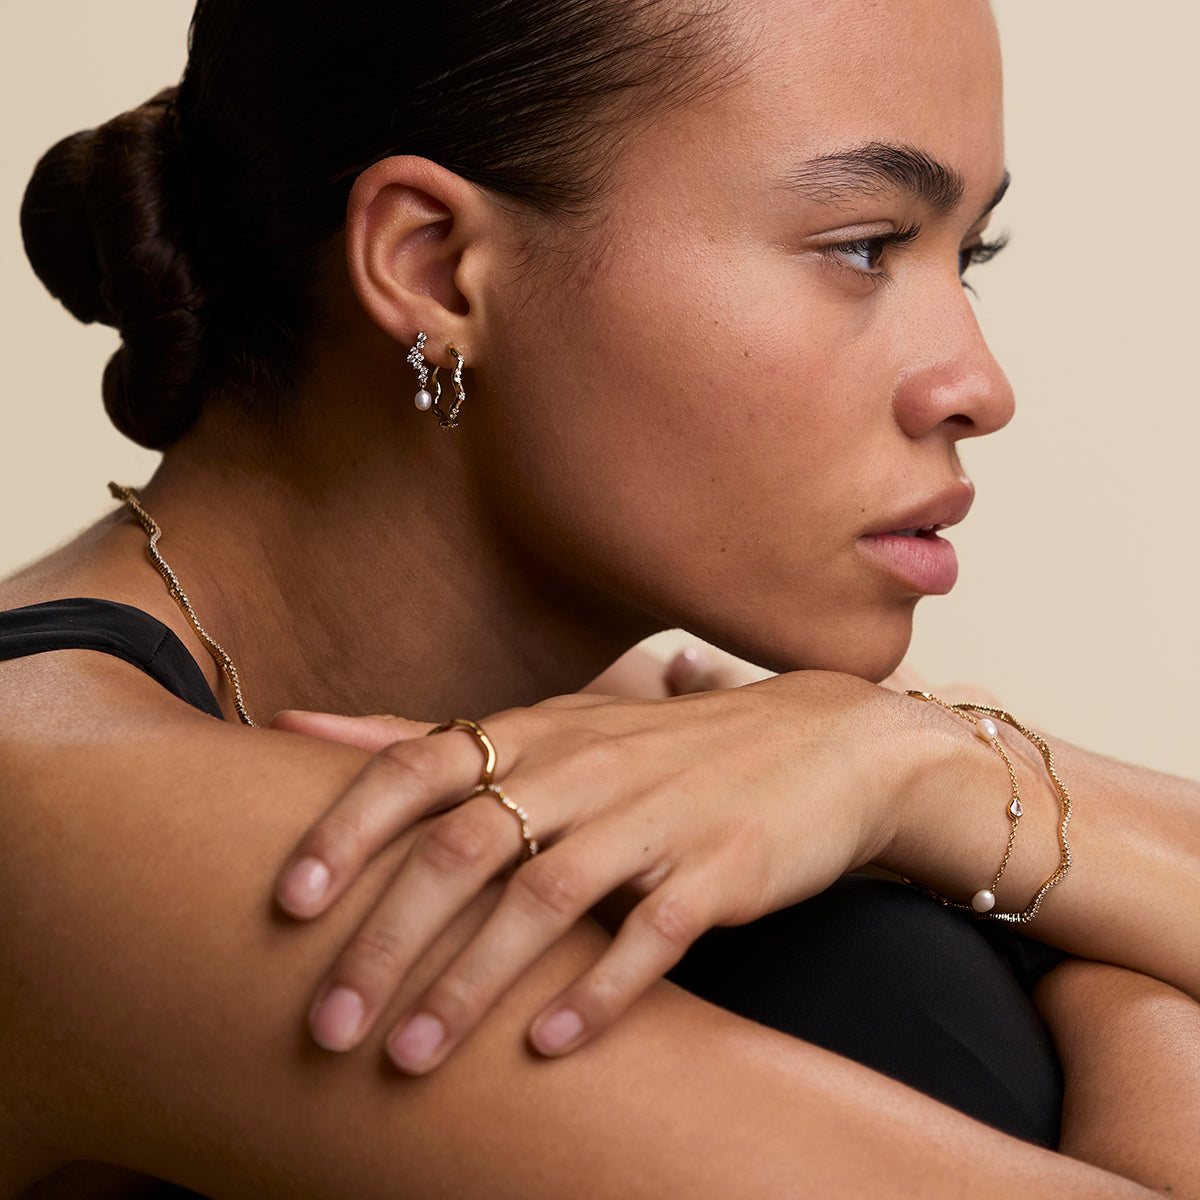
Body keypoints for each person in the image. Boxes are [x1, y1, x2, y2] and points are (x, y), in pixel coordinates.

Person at [2, 0, 1198, 1196]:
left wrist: (921, 771)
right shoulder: (73, 815)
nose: (978, 386)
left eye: (967, 254)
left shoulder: (660, 748)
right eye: (864, 244)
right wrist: (1058, 911)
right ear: (434, 267)